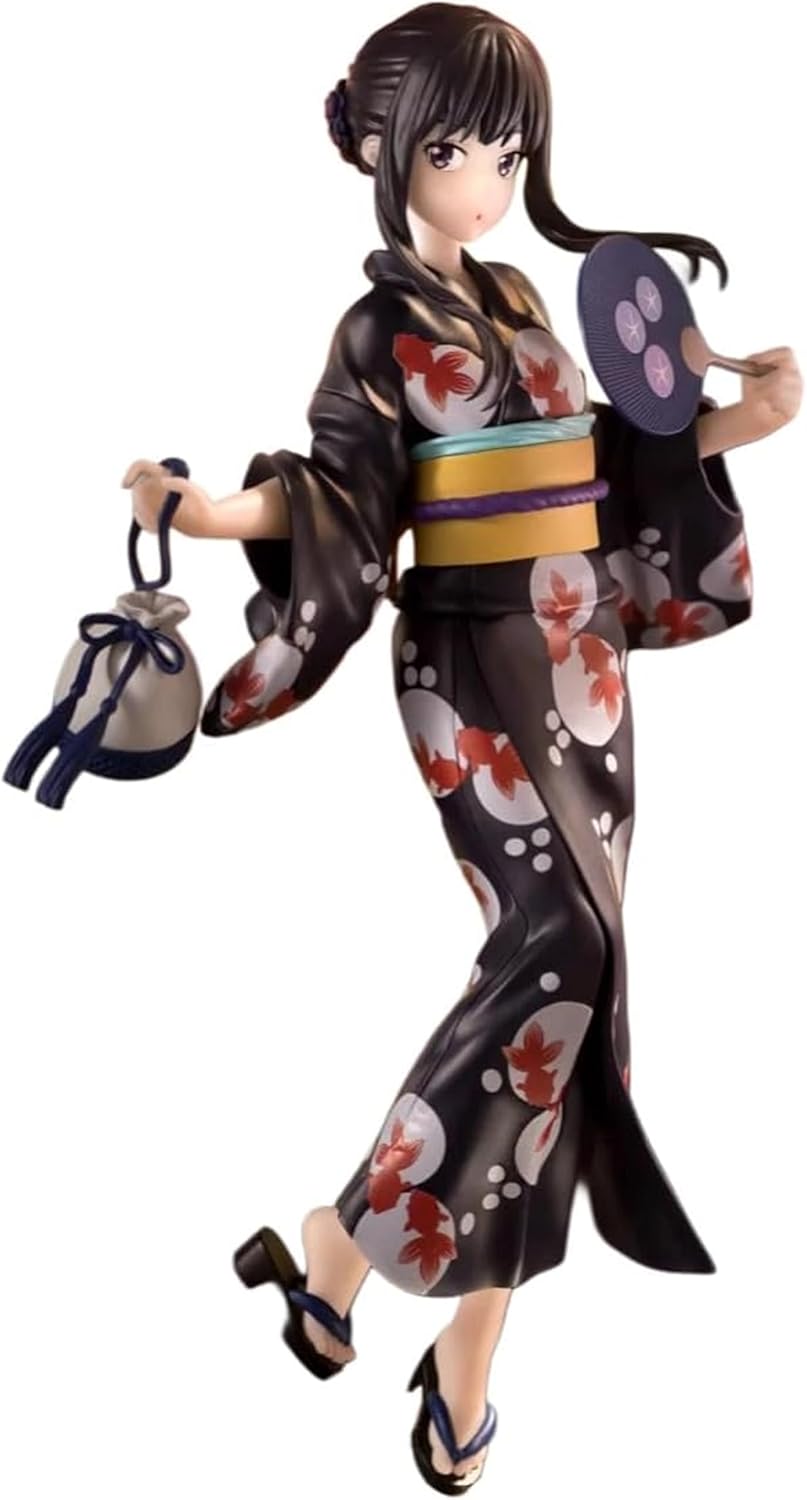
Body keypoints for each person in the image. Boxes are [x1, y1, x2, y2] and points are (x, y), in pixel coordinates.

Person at [121, 6, 801, 1492]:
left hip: (581, 654)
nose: (487, 183)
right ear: (383, 149)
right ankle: (353, 1243)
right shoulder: (379, 331)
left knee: (577, 999)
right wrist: (211, 514)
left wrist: (735, 422)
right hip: (474, 655)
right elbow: (341, 495)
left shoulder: (517, 292)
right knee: (562, 952)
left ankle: (443, 1338)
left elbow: (607, 455)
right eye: (455, 150)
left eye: (507, 152)